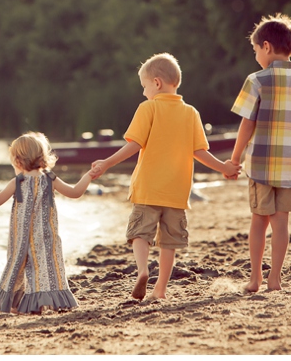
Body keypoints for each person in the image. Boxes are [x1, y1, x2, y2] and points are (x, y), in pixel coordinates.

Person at [90, 53, 239, 301]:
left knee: (140, 233)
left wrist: (106, 163)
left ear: (157, 83)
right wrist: (223, 168)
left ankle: (142, 270)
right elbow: (200, 152)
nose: (144, 92)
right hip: (177, 192)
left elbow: (133, 146)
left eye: (145, 86)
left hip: (148, 188)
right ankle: (160, 290)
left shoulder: (148, 108)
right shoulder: (191, 113)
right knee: (168, 243)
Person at [228, 13, 291, 292]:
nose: (256, 56)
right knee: (281, 221)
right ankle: (275, 279)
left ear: (267, 47)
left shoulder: (256, 80)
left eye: (255, 50)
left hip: (260, 164)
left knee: (259, 220)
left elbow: (247, 123)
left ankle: (255, 279)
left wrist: (235, 159)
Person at [0, 132, 92, 314]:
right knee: (46, 269)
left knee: (17, 267)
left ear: (18, 161)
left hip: (21, 238)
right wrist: (88, 176)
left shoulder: (18, 182)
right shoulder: (50, 179)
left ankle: (16, 304)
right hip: (46, 237)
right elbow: (75, 192)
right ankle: (44, 302)